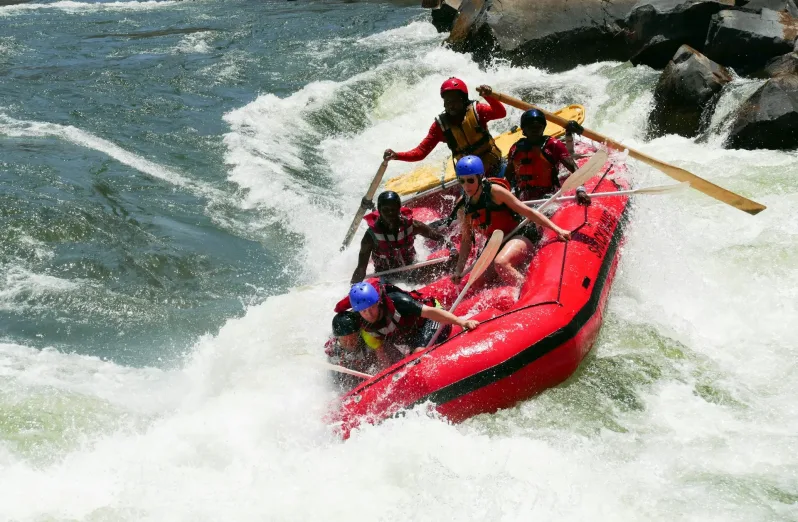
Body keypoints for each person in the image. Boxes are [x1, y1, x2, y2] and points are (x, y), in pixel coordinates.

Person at [451, 155, 572, 288]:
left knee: (501, 263)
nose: (466, 186)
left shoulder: (496, 192)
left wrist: (557, 230)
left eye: (470, 180)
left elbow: (528, 212)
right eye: (461, 181)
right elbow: (467, 240)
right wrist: (459, 269)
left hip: (520, 233)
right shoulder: (462, 206)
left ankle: (528, 292)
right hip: (496, 242)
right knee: (475, 283)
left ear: (480, 177)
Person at [335, 280, 479, 369]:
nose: (369, 314)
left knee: (417, 354)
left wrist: (462, 322)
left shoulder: (398, 302)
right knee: (406, 361)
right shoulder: (362, 322)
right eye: (363, 311)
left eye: (371, 307)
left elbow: (430, 312)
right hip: (412, 333)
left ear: (378, 302)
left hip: (432, 321)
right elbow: (381, 354)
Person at [383, 79, 507, 177]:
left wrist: (489, 96)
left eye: (454, 101)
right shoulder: (440, 126)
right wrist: (397, 155)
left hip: (494, 166)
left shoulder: (478, 110)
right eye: (447, 102)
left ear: (463, 99)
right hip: (470, 177)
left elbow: (501, 113)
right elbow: (421, 152)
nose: (450, 105)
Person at [351, 191, 453, 284]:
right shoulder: (370, 237)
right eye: (385, 210)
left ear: (399, 208)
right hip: (385, 277)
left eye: (393, 209)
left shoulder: (412, 226)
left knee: (447, 266)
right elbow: (361, 269)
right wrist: (353, 288)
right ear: (380, 211)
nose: (390, 214)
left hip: (412, 268)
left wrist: (452, 249)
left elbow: (440, 237)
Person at [504, 109, 591, 205]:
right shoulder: (515, 149)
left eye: (538, 127)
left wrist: (581, 190)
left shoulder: (553, 145)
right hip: (523, 198)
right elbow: (508, 176)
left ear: (543, 128)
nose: (535, 130)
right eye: (531, 127)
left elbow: (575, 169)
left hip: (548, 197)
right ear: (524, 129)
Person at [324, 311, 378, 389]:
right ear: (338, 339)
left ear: (359, 335)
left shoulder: (369, 340)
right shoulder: (333, 350)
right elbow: (337, 382)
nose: (349, 344)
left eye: (353, 339)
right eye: (345, 341)